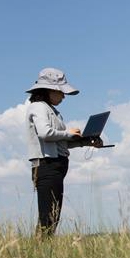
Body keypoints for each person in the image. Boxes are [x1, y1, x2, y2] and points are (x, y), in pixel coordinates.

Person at [25, 68, 103, 236]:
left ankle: (43, 248)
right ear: (50, 90)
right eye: (61, 92)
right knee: (48, 217)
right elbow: (45, 133)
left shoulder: (50, 110)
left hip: (54, 165)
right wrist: (69, 133)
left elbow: (59, 142)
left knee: (52, 216)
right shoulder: (38, 107)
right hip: (47, 165)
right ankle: (41, 248)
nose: (63, 96)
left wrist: (84, 141)